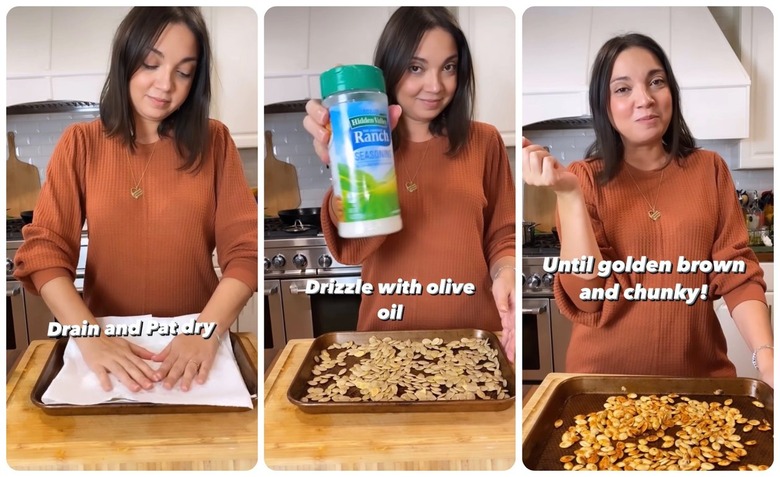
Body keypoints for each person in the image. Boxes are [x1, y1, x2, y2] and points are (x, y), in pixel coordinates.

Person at [12, 7, 258, 393]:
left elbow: (247, 251)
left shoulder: (216, 142)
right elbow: (45, 252)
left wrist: (205, 332)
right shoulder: (80, 144)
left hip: (196, 339)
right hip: (105, 341)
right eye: (150, 64)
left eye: (184, 72)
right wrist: (90, 337)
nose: (166, 85)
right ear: (125, 60)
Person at [522, 33, 773, 385]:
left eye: (656, 82)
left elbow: (738, 275)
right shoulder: (582, 180)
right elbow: (589, 299)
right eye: (623, 89)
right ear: (604, 105)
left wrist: (767, 359)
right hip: (602, 389)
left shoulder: (710, 170)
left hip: (699, 384)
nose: (645, 99)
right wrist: (569, 196)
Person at [302, 7, 516, 359]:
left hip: (475, 343)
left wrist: (506, 272)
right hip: (384, 348)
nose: (435, 85)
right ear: (390, 68)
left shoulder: (484, 141)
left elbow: (502, 235)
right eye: (416, 68)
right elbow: (351, 248)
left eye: (448, 67)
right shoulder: (363, 148)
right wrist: (343, 173)